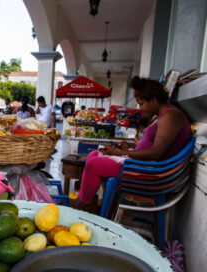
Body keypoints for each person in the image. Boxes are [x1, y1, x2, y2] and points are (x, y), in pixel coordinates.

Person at [71, 75, 191, 213]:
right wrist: (131, 148)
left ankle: (83, 205)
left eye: (141, 103)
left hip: (152, 172)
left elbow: (157, 152)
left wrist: (121, 153)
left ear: (153, 100)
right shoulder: (163, 115)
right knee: (93, 154)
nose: (140, 108)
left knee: (94, 164)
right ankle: (90, 202)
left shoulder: (170, 116)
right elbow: (153, 146)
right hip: (143, 164)